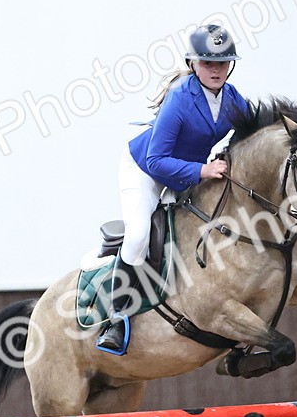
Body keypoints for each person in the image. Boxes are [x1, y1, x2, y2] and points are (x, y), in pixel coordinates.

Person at [96, 23, 249, 355]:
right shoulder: (180, 99)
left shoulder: (233, 99)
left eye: (222, 63)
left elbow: (255, 132)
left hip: (184, 173)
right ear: (193, 64)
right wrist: (203, 169)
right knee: (138, 235)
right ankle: (115, 315)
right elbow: (155, 160)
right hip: (145, 169)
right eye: (208, 63)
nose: (216, 70)